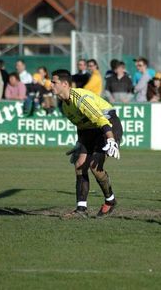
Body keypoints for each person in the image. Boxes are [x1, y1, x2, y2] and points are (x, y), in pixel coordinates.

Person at [51, 69, 123, 218]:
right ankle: (81, 210)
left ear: (64, 84)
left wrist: (110, 138)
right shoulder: (64, 105)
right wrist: (80, 144)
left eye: (54, 82)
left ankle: (110, 201)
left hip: (108, 124)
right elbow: (81, 124)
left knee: (95, 167)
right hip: (90, 131)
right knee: (79, 165)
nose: (51, 85)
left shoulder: (80, 98)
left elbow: (100, 119)